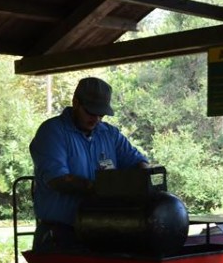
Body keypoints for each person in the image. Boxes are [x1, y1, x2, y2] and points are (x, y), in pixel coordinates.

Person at [29, 77, 149, 252]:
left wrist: (145, 181)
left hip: (103, 232)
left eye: (101, 114)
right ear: (76, 102)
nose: (97, 119)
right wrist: (103, 188)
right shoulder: (52, 131)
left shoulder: (110, 134)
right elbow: (58, 179)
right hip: (60, 237)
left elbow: (138, 162)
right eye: (91, 112)